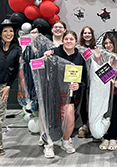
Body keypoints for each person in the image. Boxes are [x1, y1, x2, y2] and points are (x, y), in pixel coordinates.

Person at [43, 30, 87, 158]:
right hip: (52, 93)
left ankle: (66, 140)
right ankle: (49, 144)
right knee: (50, 121)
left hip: (69, 95)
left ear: (76, 42)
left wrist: (79, 85)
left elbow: (84, 79)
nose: (68, 41)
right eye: (66, 39)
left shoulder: (79, 58)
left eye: (71, 39)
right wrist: (45, 57)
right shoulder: (53, 53)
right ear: (62, 40)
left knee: (70, 121)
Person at [0, 19, 21, 155]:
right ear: (0, 33)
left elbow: (15, 69)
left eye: (11, 31)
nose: (9, 33)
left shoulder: (16, 50)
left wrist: (9, 85)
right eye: (5, 31)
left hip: (1, 88)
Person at [98, 33, 117, 151]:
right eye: (106, 43)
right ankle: (105, 136)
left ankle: (113, 137)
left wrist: (116, 82)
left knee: (114, 115)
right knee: (104, 114)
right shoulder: (101, 58)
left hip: (116, 92)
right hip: (102, 93)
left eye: (110, 43)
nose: (108, 45)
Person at [77, 26, 96, 139]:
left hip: (94, 80)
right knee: (83, 102)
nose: (87, 35)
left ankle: (93, 125)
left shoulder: (97, 48)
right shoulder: (78, 48)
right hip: (82, 79)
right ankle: (84, 126)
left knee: (93, 102)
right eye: (85, 33)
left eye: (89, 33)